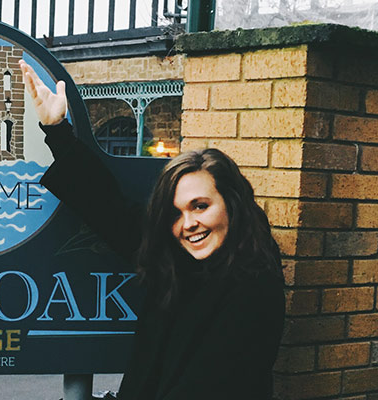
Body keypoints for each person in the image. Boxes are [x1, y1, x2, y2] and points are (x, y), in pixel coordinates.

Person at [22, 61, 285, 399]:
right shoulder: (183, 261)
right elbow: (112, 213)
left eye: (200, 206)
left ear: (232, 205)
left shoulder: (253, 287)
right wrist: (57, 129)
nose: (188, 223)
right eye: (175, 213)